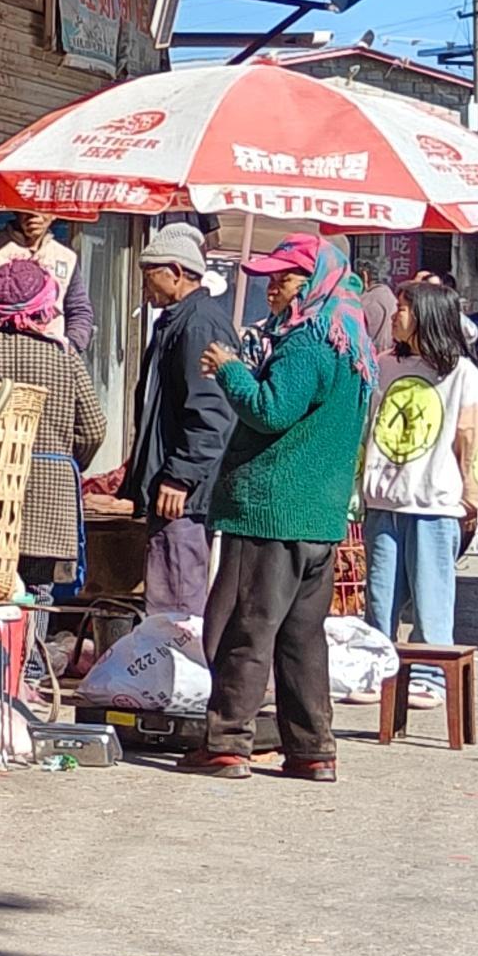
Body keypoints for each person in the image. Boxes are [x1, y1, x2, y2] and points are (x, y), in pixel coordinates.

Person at [192, 231, 374, 781]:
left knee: (243, 627)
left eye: (284, 279)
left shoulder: (308, 343)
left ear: (312, 283)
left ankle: (228, 742)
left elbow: (271, 410)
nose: (273, 288)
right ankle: (312, 749)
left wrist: (229, 370)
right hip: (318, 519)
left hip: (272, 510)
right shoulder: (350, 341)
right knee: (300, 639)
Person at [0, 253, 109, 598]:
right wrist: (65, 462)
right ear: (43, 305)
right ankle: (29, 652)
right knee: (37, 590)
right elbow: (94, 428)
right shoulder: (64, 358)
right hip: (47, 496)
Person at [118, 223, 238, 627]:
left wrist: (181, 475)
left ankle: (180, 681)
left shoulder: (198, 324)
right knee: (166, 592)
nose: (145, 284)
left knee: (177, 600)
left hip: (183, 492)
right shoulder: (175, 322)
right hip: (170, 482)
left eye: (148, 273)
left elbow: (210, 411)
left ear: (174, 271)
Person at [361, 279, 478, 647]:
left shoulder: (462, 373)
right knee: (379, 598)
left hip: (435, 505)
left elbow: (473, 438)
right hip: (383, 500)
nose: (394, 315)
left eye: (402, 308)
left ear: (426, 316)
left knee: (431, 599)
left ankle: (429, 675)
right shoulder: (382, 365)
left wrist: (473, 499)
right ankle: (377, 669)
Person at [2, 208, 97, 357]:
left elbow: (79, 310)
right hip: (3, 350)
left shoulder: (66, 258)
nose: (33, 215)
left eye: (42, 207)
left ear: (54, 214)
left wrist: (71, 347)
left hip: (52, 354)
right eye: (27, 206)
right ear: (16, 211)